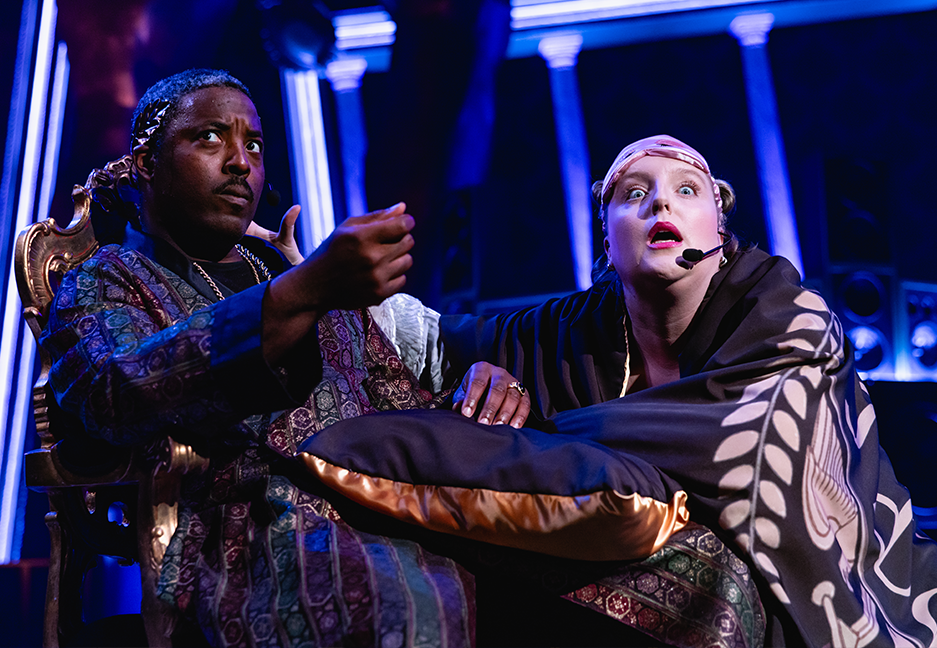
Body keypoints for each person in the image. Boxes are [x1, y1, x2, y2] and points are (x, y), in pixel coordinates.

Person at [303, 135, 937, 647]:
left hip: (859, 574)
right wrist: (303, 277)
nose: (661, 206)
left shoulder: (784, 308)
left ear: (718, 223)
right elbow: (428, 341)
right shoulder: (565, 332)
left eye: (686, 191)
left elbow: (754, 442)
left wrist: (531, 435)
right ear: (606, 234)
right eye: (634, 195)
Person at [41, 68, 473, 647]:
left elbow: (396, 401)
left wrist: (476, 387)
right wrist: (301, 293)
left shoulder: (286, 274)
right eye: (211, 138)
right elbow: (112, 393)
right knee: (399, 607)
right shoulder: (108, 279)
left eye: (255, 144)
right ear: (146, 164)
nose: (241, 162)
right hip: (242, 533)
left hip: (387, 509)